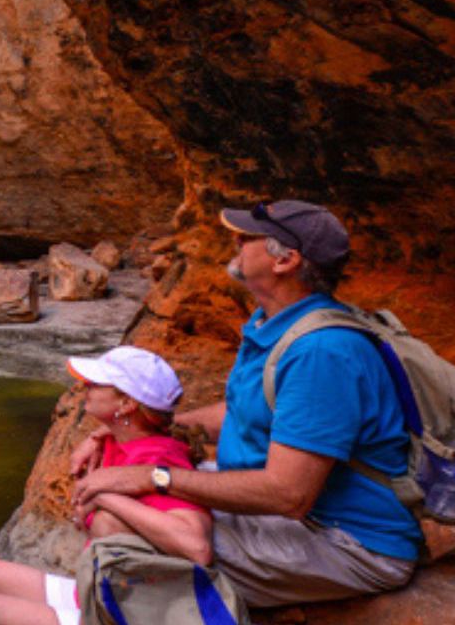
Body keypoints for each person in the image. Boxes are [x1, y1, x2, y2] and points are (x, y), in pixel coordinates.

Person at [73, 200, 421, 607]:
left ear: (286, 260)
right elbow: (240, 413)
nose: (235, 240)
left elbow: (288, 494)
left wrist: (156, 476)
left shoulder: (321, 352)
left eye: (248, 237)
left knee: (123, 524)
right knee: (128, 499)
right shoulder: (274, 324)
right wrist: (133, 427)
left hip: (345, 541)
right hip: (299, 513)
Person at [0, 345, 209, 625]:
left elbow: (197, 548)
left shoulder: (157, 459)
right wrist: (99, 443)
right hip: (95, 592)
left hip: (127, 613)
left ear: (126, 404)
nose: (84, 386)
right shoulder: (117, 441)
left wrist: (103, 495)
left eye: (96, 384)